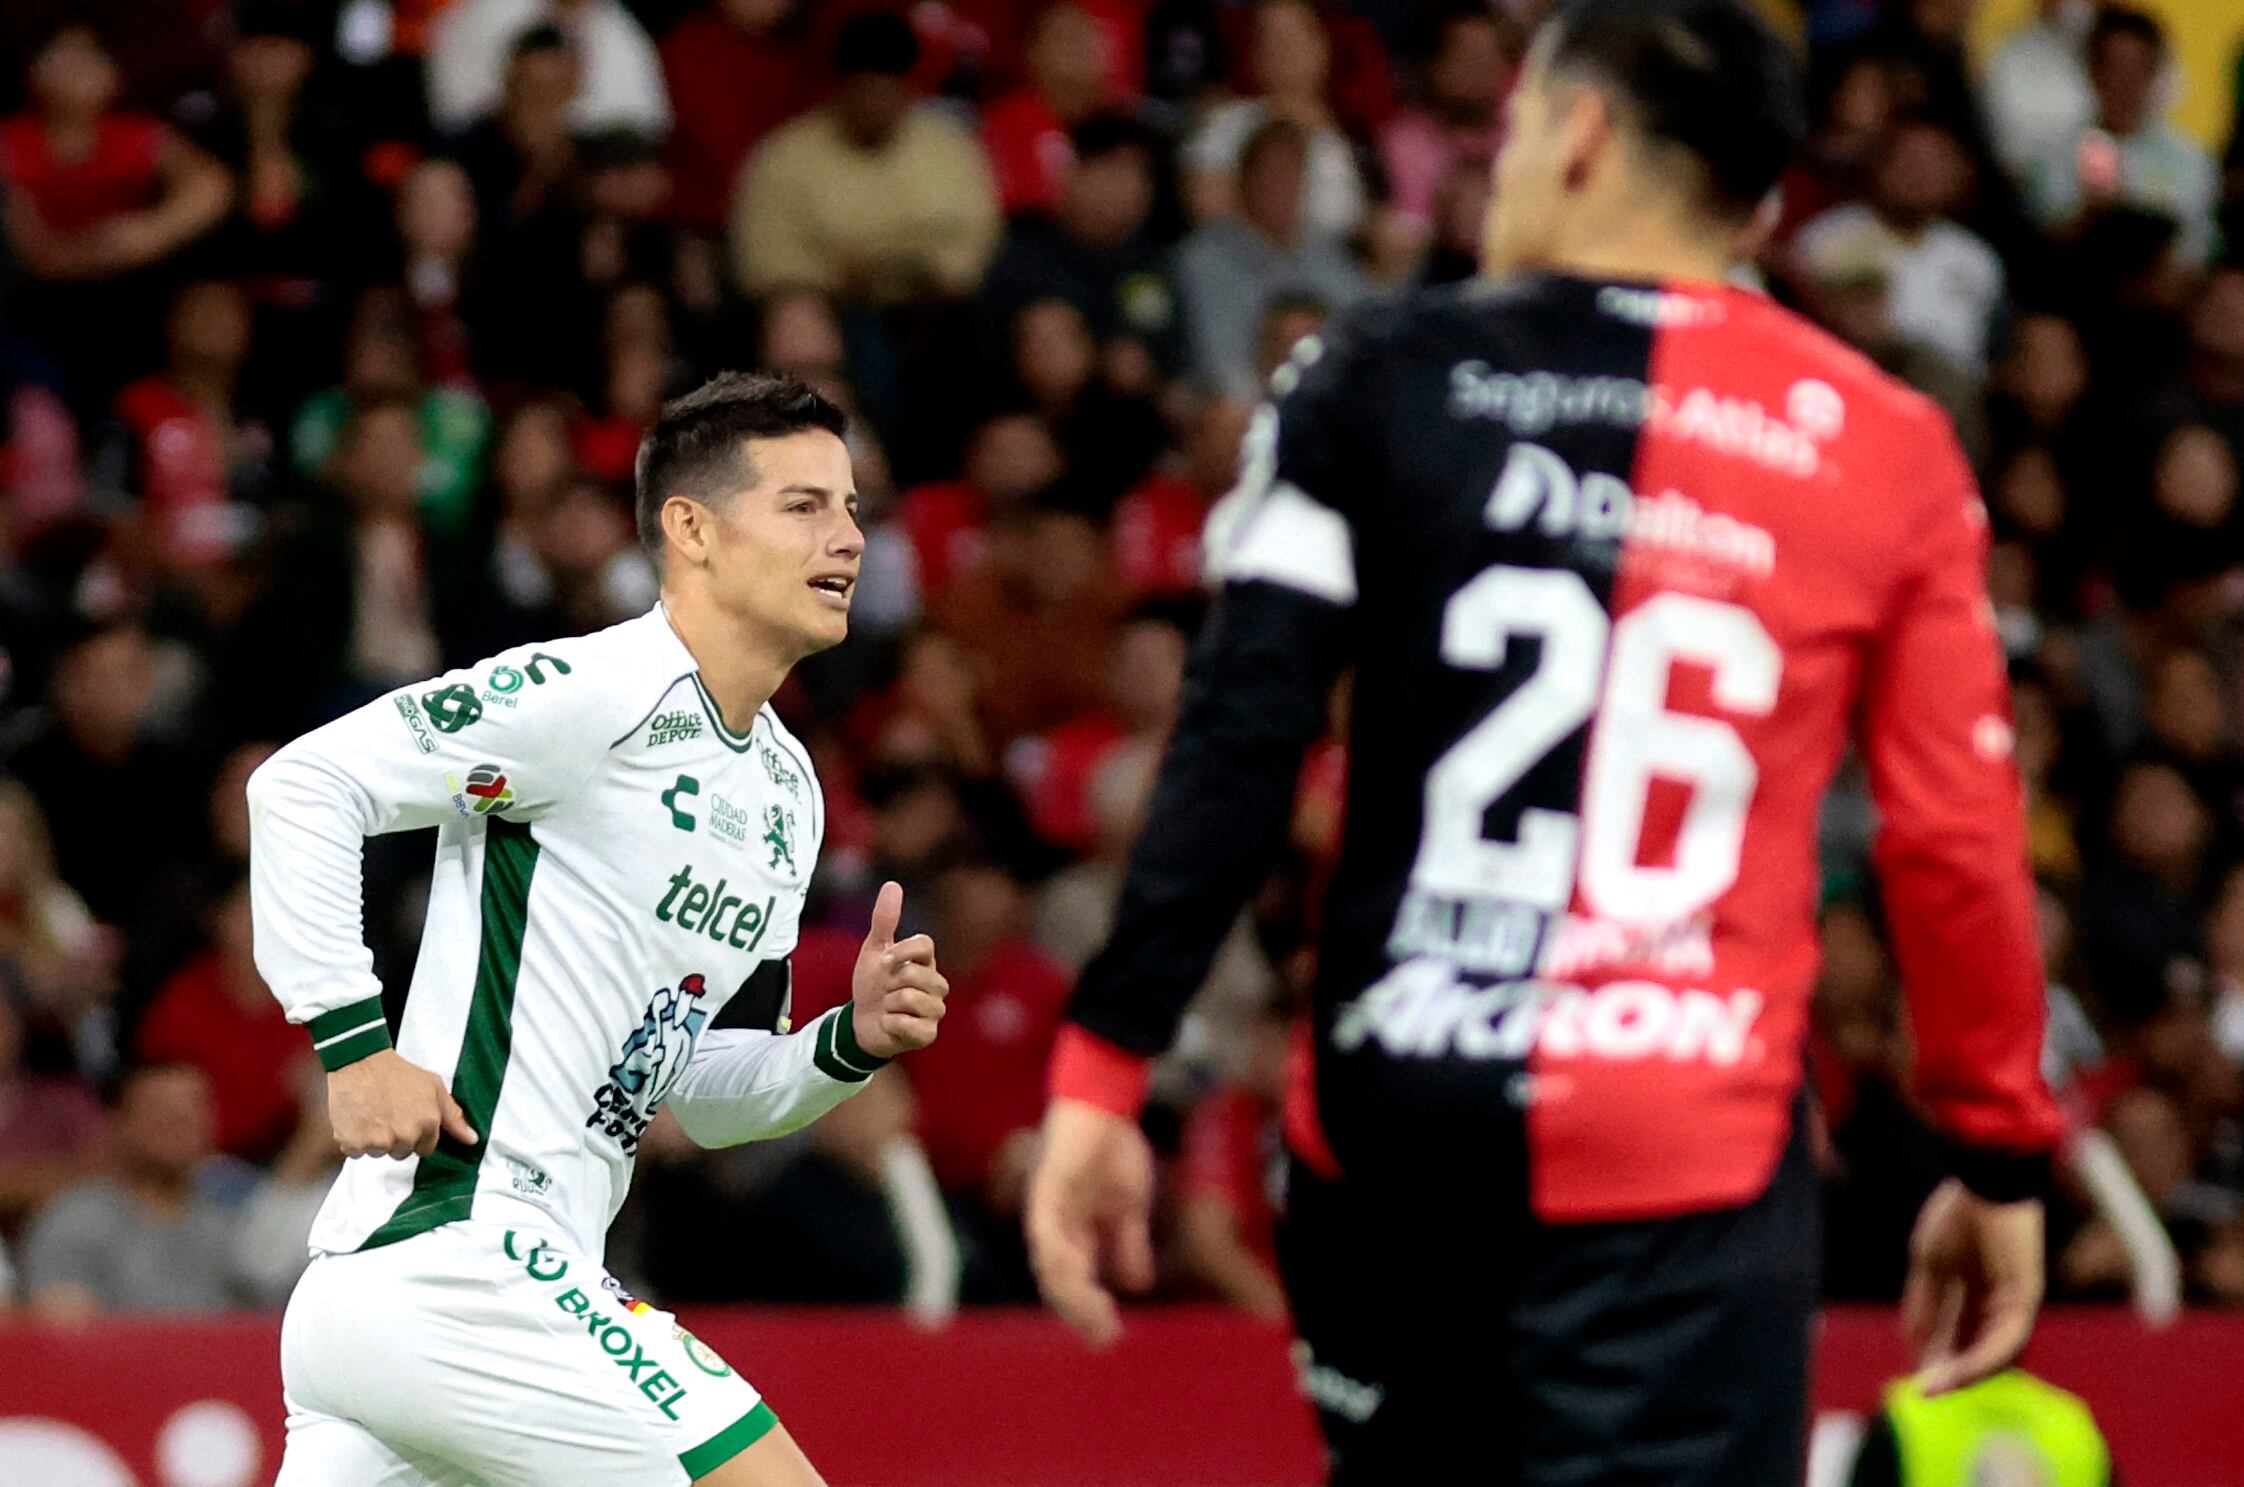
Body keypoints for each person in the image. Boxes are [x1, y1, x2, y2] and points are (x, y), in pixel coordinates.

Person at [1025, 2, 2063, 1482]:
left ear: (1578, 132)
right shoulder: (1887, 445)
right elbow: (1953, 838)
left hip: (1394, 1134)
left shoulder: (1367, 371)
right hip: (1685, 1160)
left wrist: (1106, 1063)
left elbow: (1238, 734)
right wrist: (1998, 1148)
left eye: (1512, 129)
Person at [248, 373, 953, 1485]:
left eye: (855, 506)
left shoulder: (787, 793)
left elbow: (694, 1091)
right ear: (693, 529)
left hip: (429, 1295)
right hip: (464, 1253)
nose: (849, 537)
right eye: (806, 505)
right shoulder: (594, 692)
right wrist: (354, 1044)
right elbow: (304, 785)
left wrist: (844, 1042)